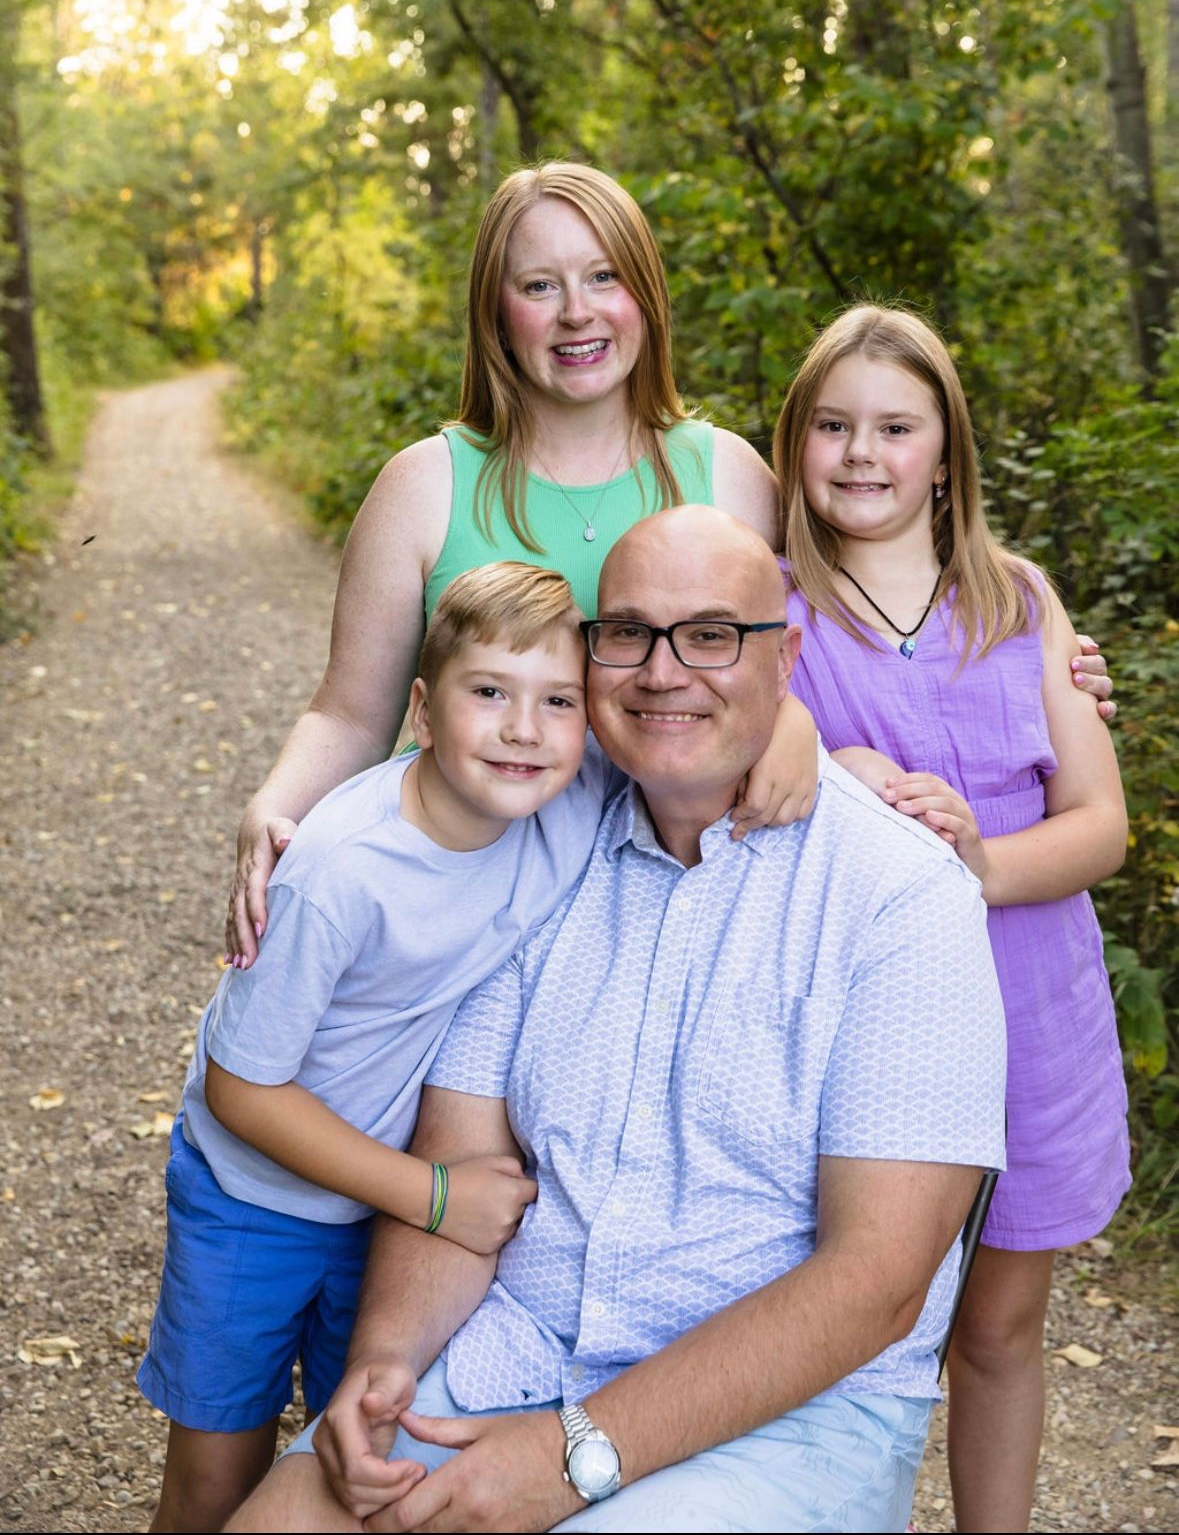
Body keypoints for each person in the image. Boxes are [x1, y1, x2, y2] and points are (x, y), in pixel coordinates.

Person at [226, 506, 1008, 1534]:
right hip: (522, 1347)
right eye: (628, 632)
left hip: (791, 1417)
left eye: (714, 634)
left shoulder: (902, 896)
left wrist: (573, 1453)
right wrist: (385, 1366)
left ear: (789, 658)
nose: (663, 670)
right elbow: (463, 1155)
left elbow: (877, 1281)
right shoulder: (540, 843)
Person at [223, 160, 1112, 969]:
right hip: (461, 899)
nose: (578, 312)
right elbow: (349, 713)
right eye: (540, 285)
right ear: (496, 312)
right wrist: (275, 804)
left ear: (644, 295)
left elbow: (849, 626)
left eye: (604, 277)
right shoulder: (425, 486)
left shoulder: (725, 474)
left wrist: (1048, 669)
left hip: (669, 907)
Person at [140, 563, 627, 1533]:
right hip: (255, 1196)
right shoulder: (341, 869)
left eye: (558, 701)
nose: (525, 727)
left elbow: (707, 734)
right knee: (213, 1477)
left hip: (377, 1218)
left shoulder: (563, 808)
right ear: (420, 709)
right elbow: (242, 1088)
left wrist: (797, 736)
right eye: (488, 690)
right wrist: (435, 1197)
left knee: (350, 1460)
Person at [770, 304, 1131, 1533]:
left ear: (946, 452)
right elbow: (727, 772)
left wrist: (973, 858)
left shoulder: (1020, 600)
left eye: (894, 425)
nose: (861, 452)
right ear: (794, 443)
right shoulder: (774, 612)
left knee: (996, 1325)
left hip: (1036, 1006)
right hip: (864, 1030)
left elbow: (1098, 823)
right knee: (837, 1314)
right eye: (832, 424)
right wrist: (833, 775)